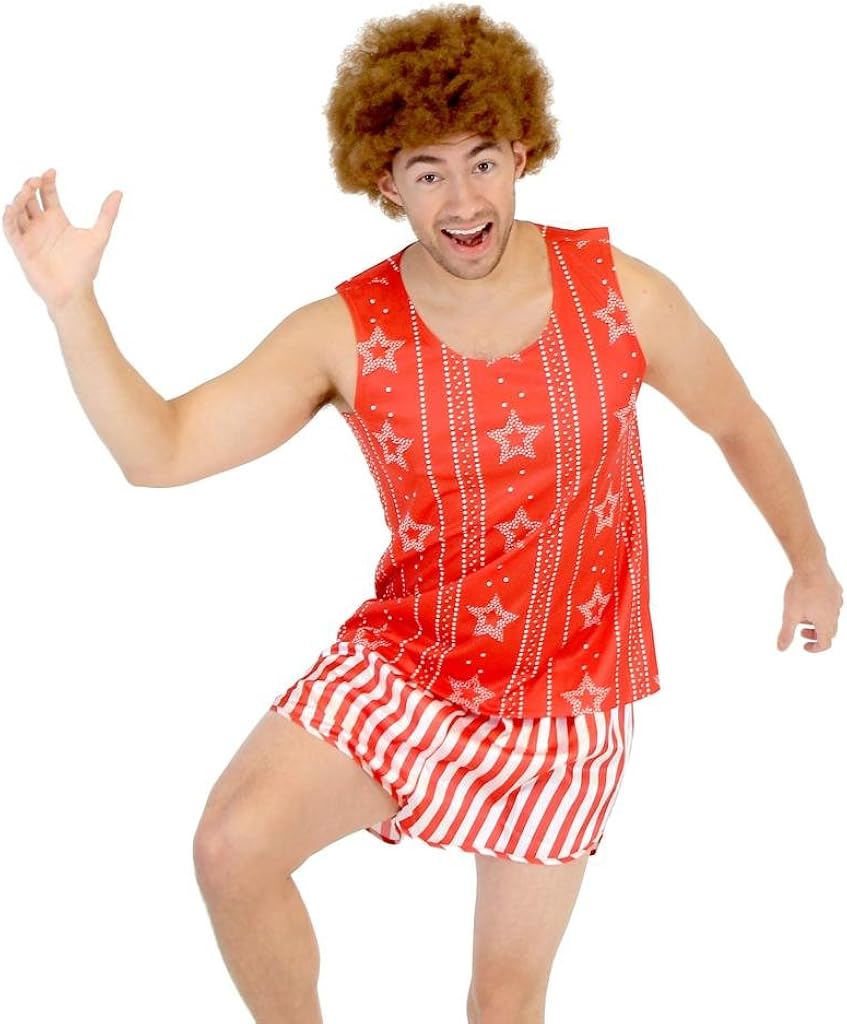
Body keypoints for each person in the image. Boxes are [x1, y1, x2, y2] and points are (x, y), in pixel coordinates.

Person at [4, 4, 842, 1023]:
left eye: (482, 161)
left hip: (571, 699)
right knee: (231, 848)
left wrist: (808, 560)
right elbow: (161, 450)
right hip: (410, 671)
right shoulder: (341, 332)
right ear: (385, 182)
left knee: (502, 1001)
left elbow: (736, 420)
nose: (463, 198)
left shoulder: (622, 295)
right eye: (428, 171)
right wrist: (73, 307)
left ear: (522, 152)